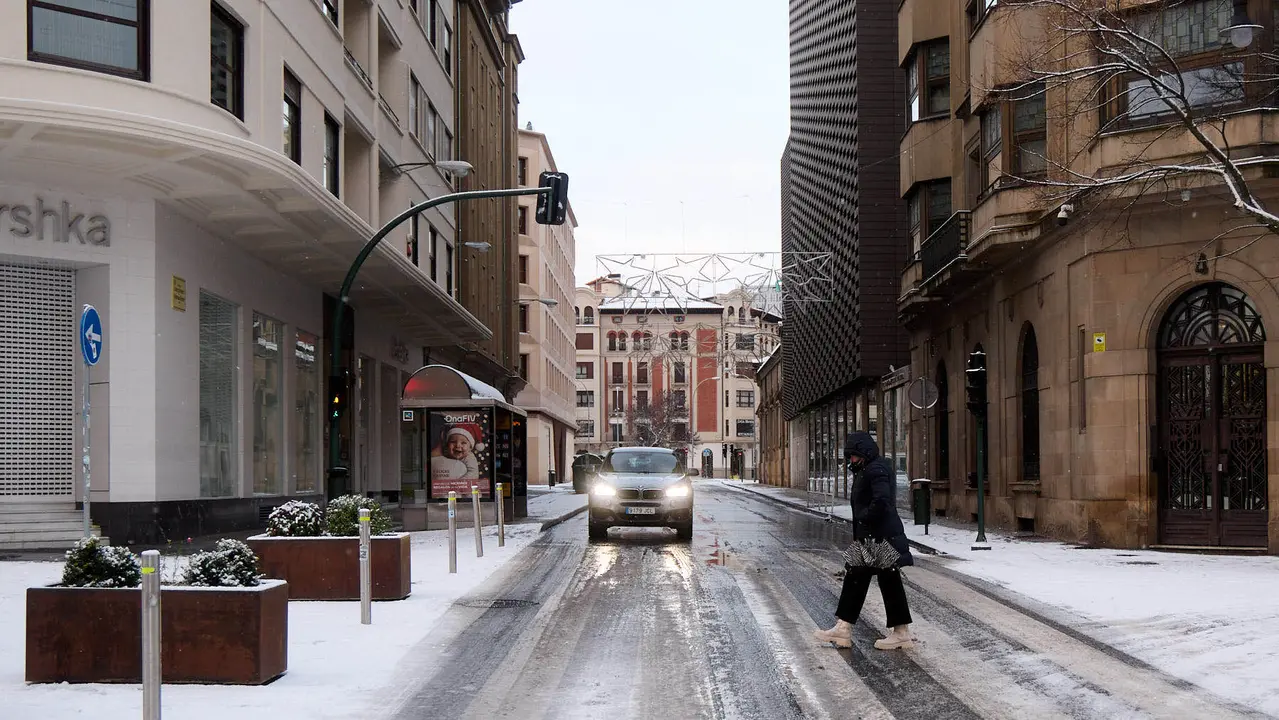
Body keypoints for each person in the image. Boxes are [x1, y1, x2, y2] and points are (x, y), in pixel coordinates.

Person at [813, 430, 915, 650]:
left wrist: (865, 517)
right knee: (858, 578)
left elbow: (882, 500)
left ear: (864, 453)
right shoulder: (868, 468)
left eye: (853, 455)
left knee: (883, 581)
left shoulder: (875, 469)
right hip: (871, 537)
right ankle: (845, 628)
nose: (851, 460)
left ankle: (899, 633)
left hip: (878, 537)